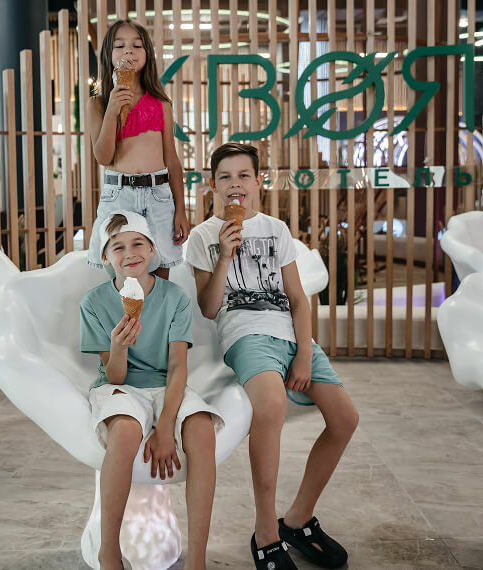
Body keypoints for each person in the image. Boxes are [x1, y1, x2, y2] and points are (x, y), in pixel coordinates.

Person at [185, 143, 359, 570]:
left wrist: (304, 353)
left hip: (290, 335)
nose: (235, 185)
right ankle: (265, 531)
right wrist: (226, 254)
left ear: (258, 181)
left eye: (243, 175)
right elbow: (208, 308)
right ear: (213, 185)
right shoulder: (203, 237)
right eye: (225, 177)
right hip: (245, 335)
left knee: (345, 419)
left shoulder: (276, 230)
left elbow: (298, 299)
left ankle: (297, 519)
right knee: (272, 406)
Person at [80, 209, 223, 570]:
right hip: (120, 387)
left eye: (138, 244)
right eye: (118, 247)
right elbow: (115, 377)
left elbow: (177, 367)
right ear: (105, 257)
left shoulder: (175, 298)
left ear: (153, 250)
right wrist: (118, 347)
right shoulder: (94, 304)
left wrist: (165, 426)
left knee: (203, 431)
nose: (130, 253)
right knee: (125, 432)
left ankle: (197, 560)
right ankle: (109, 551)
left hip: (167, 384)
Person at [86, 19, 189, 280]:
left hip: (158, 196)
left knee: (160, 273)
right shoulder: (98, 104)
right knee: (122, 275)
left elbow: (172, 160)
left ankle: (157, 309)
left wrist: (181, 208)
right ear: (108, 55)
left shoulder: (162, 103)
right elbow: (103, 157)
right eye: (120, 46)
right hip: (118, 195)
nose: (129, 51)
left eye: (137, 45)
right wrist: (112, 111)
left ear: (147, 54)